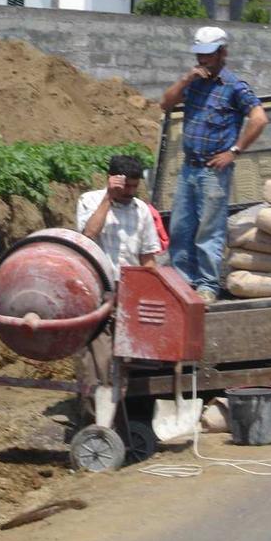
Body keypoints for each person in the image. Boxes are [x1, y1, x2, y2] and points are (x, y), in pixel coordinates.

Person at [160, 26, 268, 303]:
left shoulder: (234, 87)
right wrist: (186, 79)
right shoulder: (194, 82)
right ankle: (184, 282)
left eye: (208, 55)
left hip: (213, 171)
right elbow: (166, 104)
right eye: (200, 55)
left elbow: (259, 118)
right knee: (182, 228)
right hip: (189, 168)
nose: (203, 60)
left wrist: (234, 150)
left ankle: (207, 284)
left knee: (209, 229)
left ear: (223, 53)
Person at [75, 154, 161, 417]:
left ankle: (124, 416)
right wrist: (107, 199)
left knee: (128, 360)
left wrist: (152, 292)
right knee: (96, 361)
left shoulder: (142, 210)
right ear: (112, 180)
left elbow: (148, 258)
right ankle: (95, 420)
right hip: (97, 293)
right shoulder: (90, 201)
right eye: (126, 187)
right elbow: (88, 234)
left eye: (135, 187)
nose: (131, 192)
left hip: (130, 295)